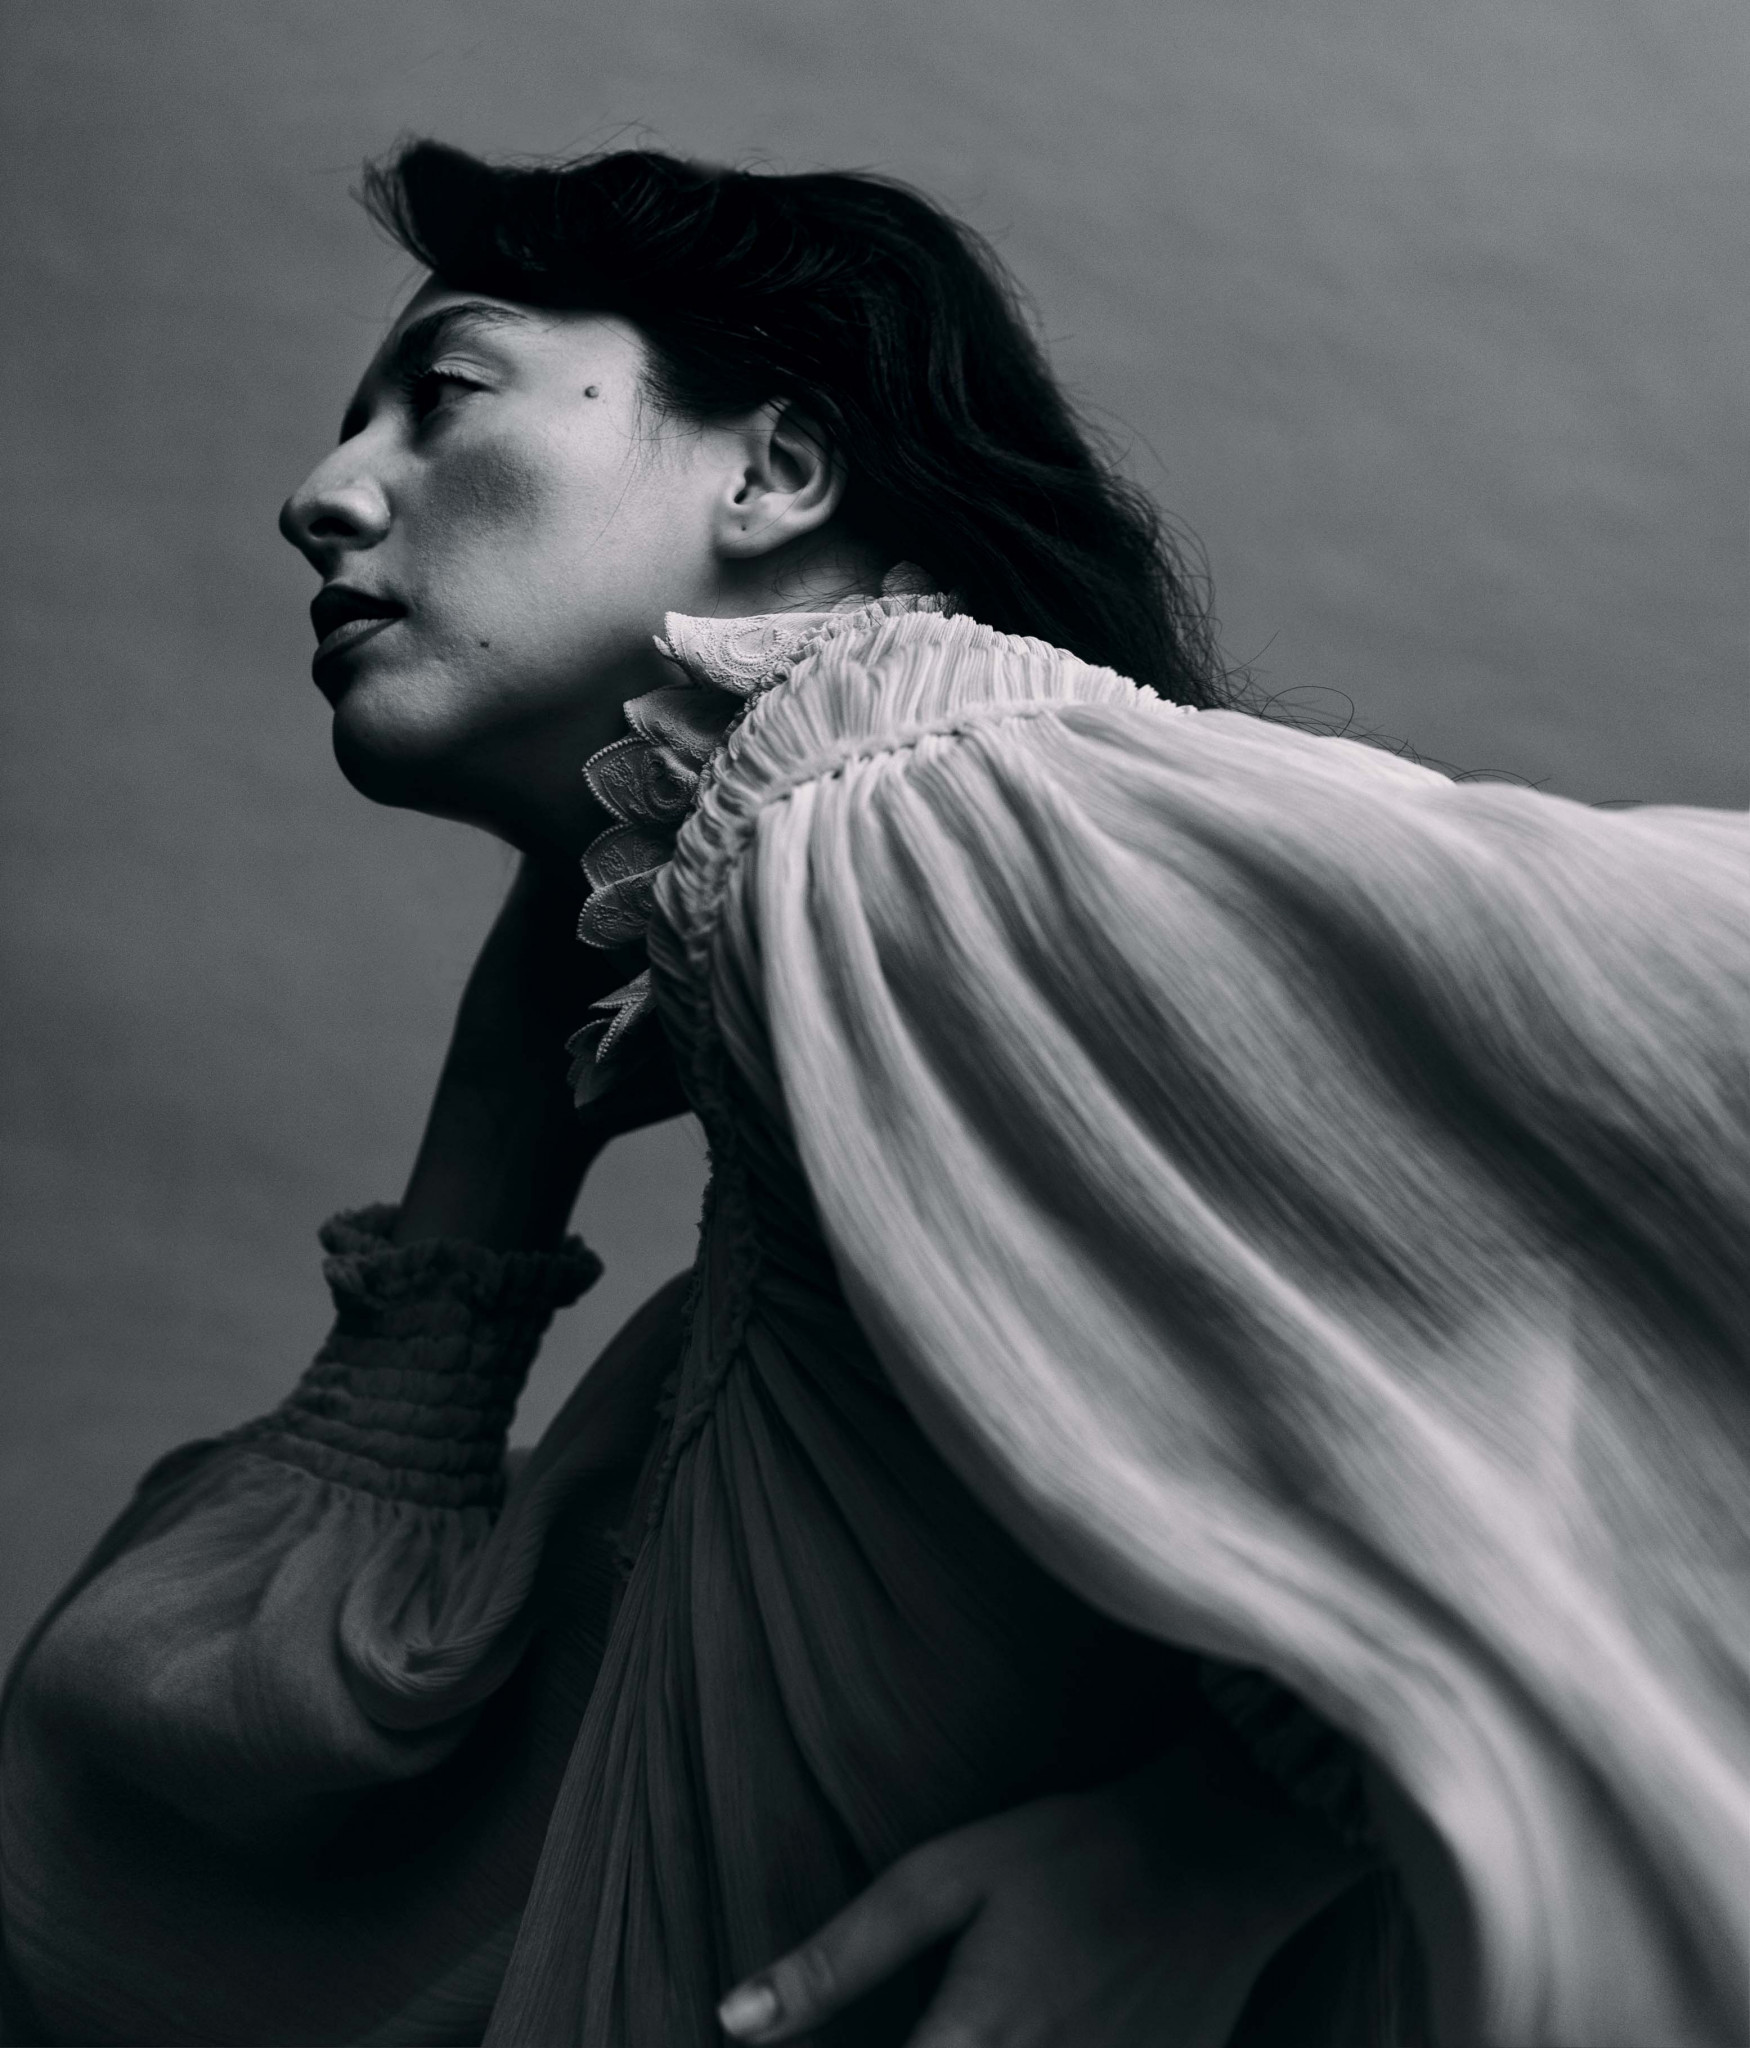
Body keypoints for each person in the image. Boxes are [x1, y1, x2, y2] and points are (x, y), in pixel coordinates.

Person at [1, 141, 1745, 2048]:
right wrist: (500, 1113)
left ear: (772, 473)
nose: (321, 495)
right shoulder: (813, 1138)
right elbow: (198, 1812)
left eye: (446, 393)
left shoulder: (901, 801)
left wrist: (1221, 1842)